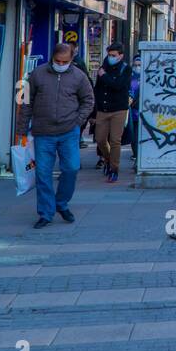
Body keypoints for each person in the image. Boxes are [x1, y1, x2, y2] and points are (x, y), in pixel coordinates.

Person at [21, 42, 94, 228]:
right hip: (43, 132)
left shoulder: (79, 76)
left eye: (64, 61)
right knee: (43, 173)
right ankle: (46, 212)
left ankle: (61, 203)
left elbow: (88, 100)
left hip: (69, 131)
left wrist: (78, 121)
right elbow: (26, 101)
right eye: (57, 61)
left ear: (71, 60)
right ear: (52, 58)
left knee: (71, 168)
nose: (60, 64)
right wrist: (21, 130)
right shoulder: (38, 74)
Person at [93, 41, 132, 183]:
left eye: (113, 55)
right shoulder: (103, 67)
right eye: (109, 55)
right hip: (103, 109)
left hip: (119, 109)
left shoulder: (126, 69)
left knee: (115, 140)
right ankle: (108, 159)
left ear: (120, 56)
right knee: (100, 139)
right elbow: (97, 89)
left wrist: (104, 76)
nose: (110, 57)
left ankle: (114, 169)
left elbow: (119, 85)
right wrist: (94, 110)